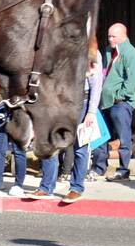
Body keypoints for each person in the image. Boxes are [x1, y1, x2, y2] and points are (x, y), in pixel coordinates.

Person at [30, 41, 104, 201]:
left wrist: (91, 111)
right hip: (56, 102)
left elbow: (96, 85)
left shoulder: (91, 52)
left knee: (80, 147)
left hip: (80, 102)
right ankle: (46, 187)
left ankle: (76, 187)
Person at [90, 23, 135, 181]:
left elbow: (133, 81)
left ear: (123, 35)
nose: (110, 39)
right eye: (109, 36)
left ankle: (123, 169)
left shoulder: (132, 55)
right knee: (100, 136)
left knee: (123, 136)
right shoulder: (108, 51)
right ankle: (99, 167)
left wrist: (118, 96)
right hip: (104, 101)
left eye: (114, 36)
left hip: (120, 103)